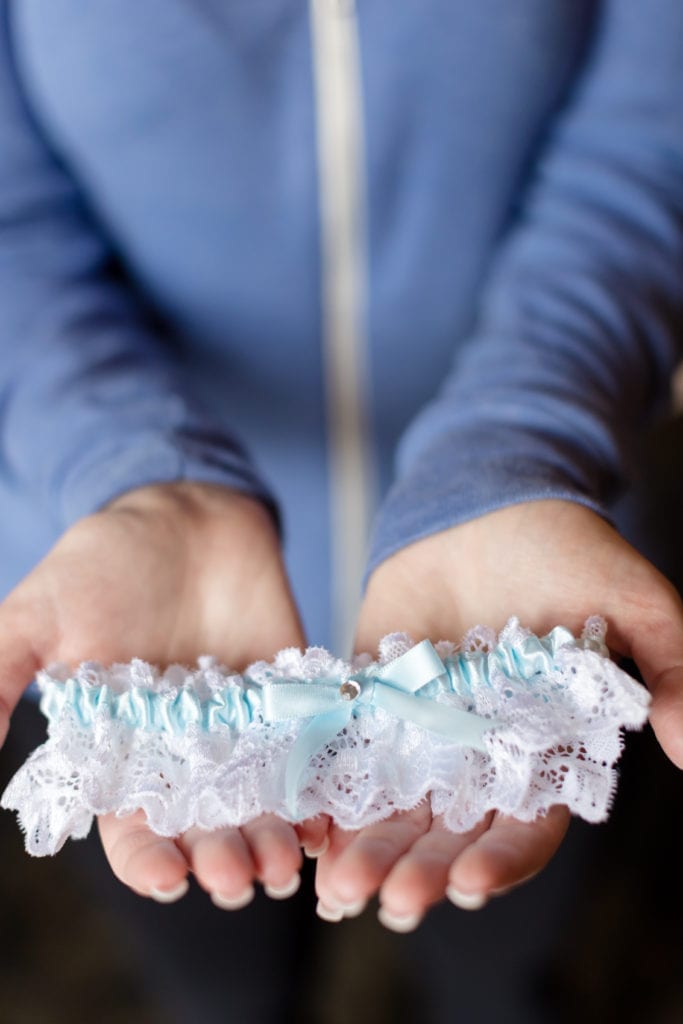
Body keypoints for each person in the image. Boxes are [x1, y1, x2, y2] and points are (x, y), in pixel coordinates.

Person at [1, 0, 682, 1017]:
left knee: (504, 962)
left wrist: (517, 440)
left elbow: (645, 144)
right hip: (116, 579)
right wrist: (132, 471)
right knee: (213, 978)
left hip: (533, 565)